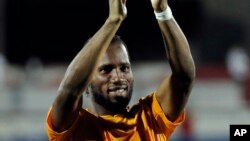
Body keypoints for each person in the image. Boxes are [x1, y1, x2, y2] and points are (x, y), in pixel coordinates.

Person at [46, 0, 195, 140]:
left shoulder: (150, 120)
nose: (118, 77)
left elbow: (184, 77)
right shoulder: (74, 129)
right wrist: (112, 21)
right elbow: (69, 90)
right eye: (106, 70)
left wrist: (162, 12)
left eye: (124, 68)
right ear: (86, 84)